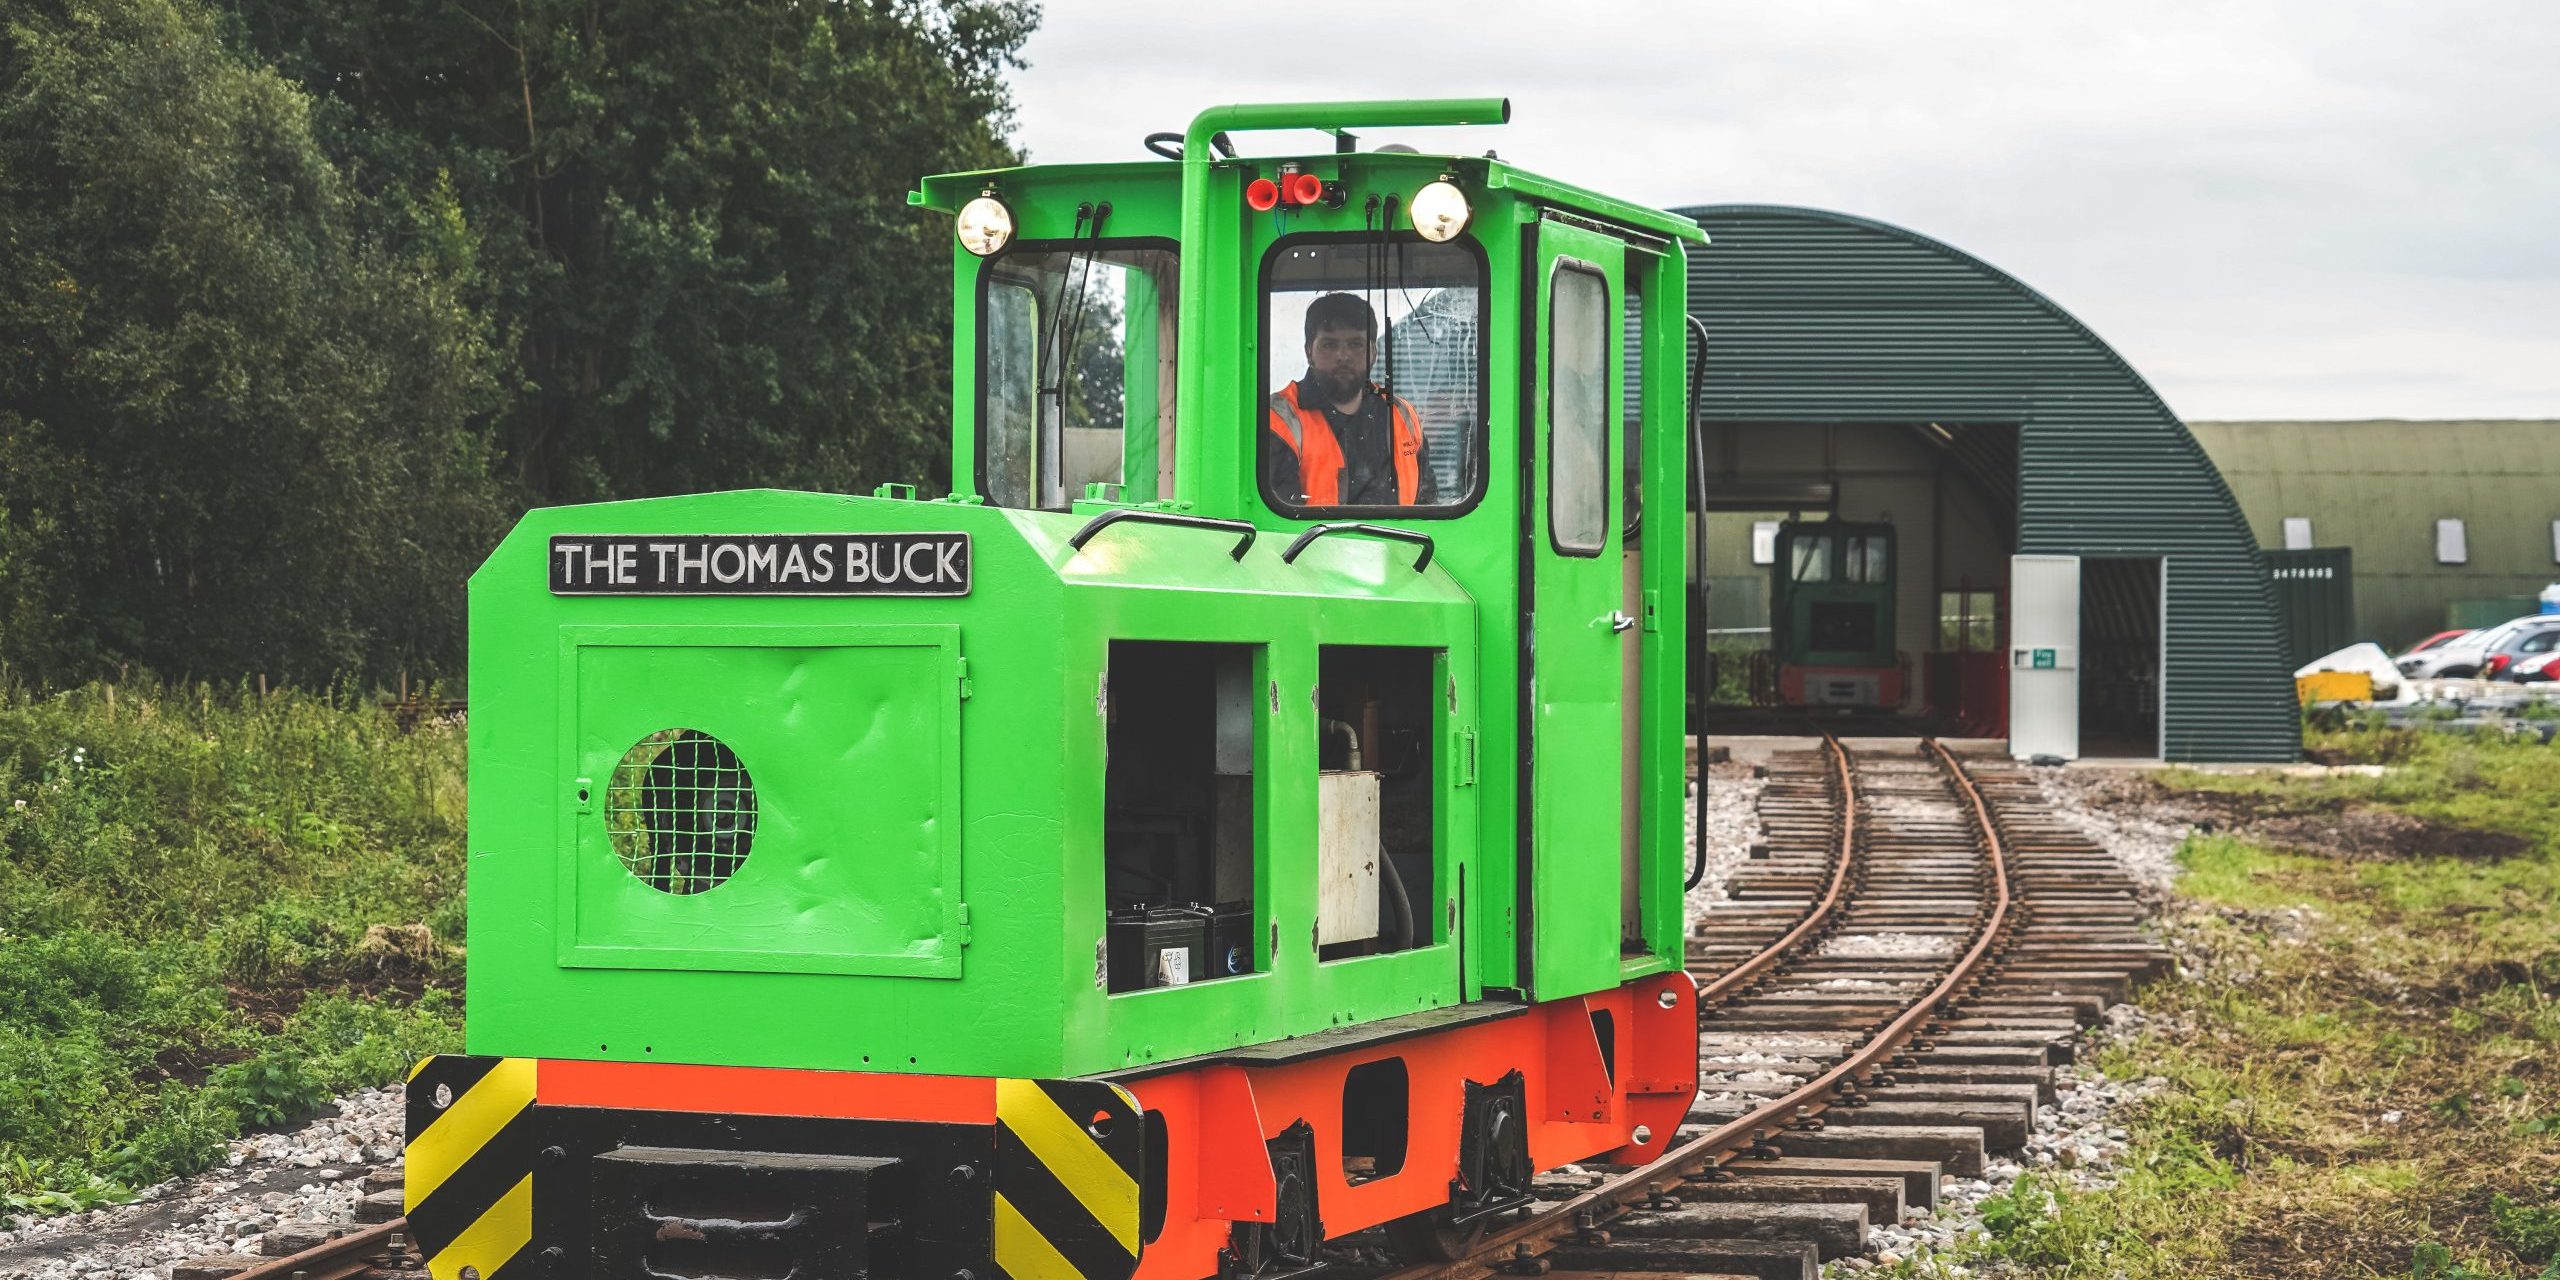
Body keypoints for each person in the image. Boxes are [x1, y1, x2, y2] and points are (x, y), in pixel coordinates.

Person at [1266, 293, 1435, 508]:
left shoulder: (1402, 415)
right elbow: (1279, 517)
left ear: (1373, 353)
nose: (1343, 356)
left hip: (1400, 532)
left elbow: (1428, 502)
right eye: (1329, 345)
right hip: (1315, 533)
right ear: (1309, 351)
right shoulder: (1279, 420)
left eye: (1356, 344)